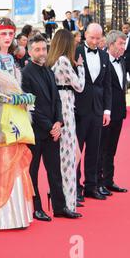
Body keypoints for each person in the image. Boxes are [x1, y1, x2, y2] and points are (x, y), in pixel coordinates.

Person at [0, 18, 36, 229]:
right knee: (3, 164)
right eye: (3, 34)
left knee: (16, 164)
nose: (7, 38)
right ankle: (3, 218)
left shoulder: (10, 59)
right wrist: (19, 99)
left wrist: (20, 99)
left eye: (10, 34)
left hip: (16, 116)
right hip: (0, 117)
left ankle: (17, 216)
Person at [22, 34, 82, 221]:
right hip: (36, 131)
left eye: (44, 49)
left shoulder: (48, 70)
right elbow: (32, 106)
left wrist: (58, 122)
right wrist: (50, 126)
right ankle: (36, 208)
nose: (41, 52)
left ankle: (60, 207)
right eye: (37, 49)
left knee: (55, 171)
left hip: (52, 129)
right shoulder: (26, 74)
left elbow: (56, 100)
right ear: (30, 51)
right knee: (33, 172)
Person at [46, 29, 85, 212]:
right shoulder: (62, 60)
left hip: (65, 108)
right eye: (74, 42)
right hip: (65, 111)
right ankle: (66, 202)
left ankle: (61, 196)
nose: (76, 45)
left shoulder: (54, 60)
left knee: (73, 154)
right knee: (67, 157)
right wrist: (81, 67)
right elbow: (79, 86)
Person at [74, 23, 112, 201]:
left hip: (98, 110)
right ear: (85, 35)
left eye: (98, 38)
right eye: (92, 37)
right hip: (79, 109)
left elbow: (107, 85)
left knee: (94, 150)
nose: (95, 41)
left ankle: (91, 185)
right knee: (77, 151)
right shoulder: (76, 52)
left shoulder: (104, 56)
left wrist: (107, 110)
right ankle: (75, 187)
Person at [98, 30, 129, 194]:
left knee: (111, 149)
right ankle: (99, 182)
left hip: (119, 112)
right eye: (120, 44)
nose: (123, 47)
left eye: (124, 44)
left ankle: (109, 181)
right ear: (110, 45)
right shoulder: (102, 60)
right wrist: (104, 110)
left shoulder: (122, 61)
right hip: (105, 112)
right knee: (101, 148)